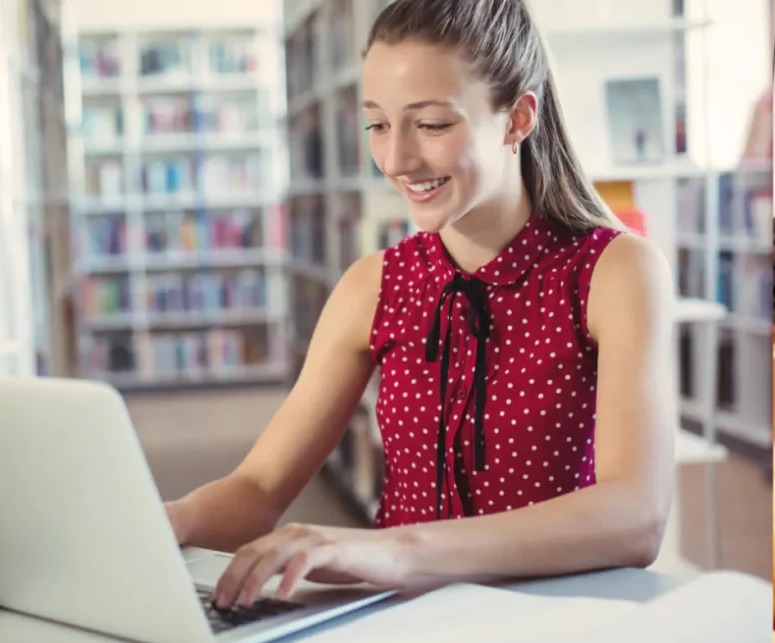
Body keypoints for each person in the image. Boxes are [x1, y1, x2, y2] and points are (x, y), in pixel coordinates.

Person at [165, 0, 676, 611]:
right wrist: (169, 521)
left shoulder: (616, 271)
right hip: (398, 624)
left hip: (556, 622)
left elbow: (635, 515)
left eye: (431, 125)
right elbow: (257, 486)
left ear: (517, 119)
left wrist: (395, 551)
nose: (398, 160)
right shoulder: (372, 285)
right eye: (378, 125)